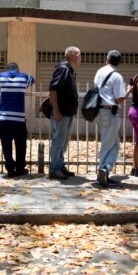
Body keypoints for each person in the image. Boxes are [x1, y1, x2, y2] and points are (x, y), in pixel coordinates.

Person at [94, 50, 129, 187]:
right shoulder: (117, 76)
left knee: (114, 144)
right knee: (108, 144)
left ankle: (106, 169)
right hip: (110, 112)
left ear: (106, 59)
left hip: (99, 111)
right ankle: (102, 171)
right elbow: (119, 99)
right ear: (119, 62)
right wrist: (129, 91)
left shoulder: (99, 72)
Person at [0, 62, 35, 178]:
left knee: (6, 143)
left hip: (3, 116)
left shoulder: (1, 76)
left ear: (7, 69)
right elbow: (32, 80)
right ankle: (19, 168)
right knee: (20, 143)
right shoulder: (24, 77)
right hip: (18, 117)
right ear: (18, 68)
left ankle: (10, 168)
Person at [48, 46, 81, 180]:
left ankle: (59, 165)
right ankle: (54, 169)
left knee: (64, 142)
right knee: (58, 141)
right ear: (73, 55)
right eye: (79, 55)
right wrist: (56, 110)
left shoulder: (69, 70)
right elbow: (53, 90)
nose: (81, 58)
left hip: (68, 113)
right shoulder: (63, 69)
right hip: (61, 113)